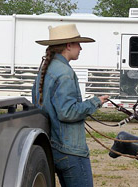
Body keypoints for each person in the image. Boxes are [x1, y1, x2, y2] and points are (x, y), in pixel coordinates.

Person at [32, 24, 109, 187]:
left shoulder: (46, 69)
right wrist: (95, 102)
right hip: (70, 150)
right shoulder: (65, 72)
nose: (81, 48)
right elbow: (67, 112)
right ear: (68, 45)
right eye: (78, 44)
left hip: (54, 146)